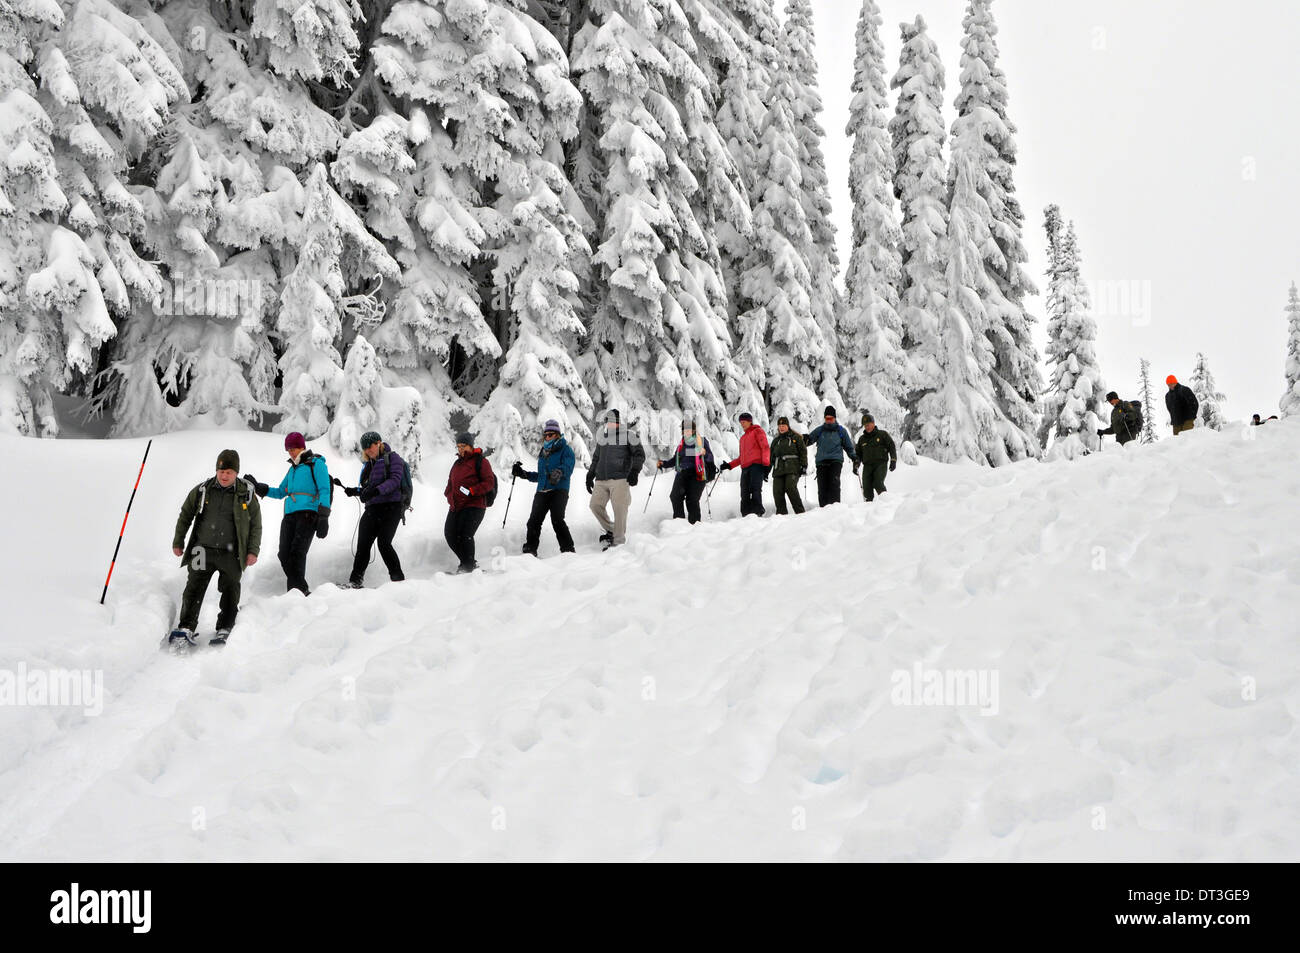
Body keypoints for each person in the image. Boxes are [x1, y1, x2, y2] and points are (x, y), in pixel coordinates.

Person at [171, 450, 261, 645]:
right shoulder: (203, 490)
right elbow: (185, 515)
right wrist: (179, 541)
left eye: (229, 472)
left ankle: (225, 626)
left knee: (230, 589)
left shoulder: (246, 493)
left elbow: (256, 524)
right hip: (201, 549)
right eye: (221, 471)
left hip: (231, 552)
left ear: (236, 472)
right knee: (193, 587)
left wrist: (253, 550)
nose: (224, 476)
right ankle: (186, 626)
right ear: (216, 470)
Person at [243, 432, 330, 596]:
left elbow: (324, 490)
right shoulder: (293, 469)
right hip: (289, 515)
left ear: (302, 446)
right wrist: (259, 487)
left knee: (297, 553)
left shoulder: (316, 464)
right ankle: (301, 591)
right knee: (284, 554)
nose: (291, 452)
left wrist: (324, 516)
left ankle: (296, 593)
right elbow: (281, 491)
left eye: (294, 448)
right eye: (288, 449)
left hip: (308, 514)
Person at [336, 431, 407, 588]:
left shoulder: (392, 458)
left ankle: (398, 580)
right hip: (373, 509)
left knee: (384, 543)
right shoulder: (368, 465)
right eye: (365, 448)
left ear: (379, 443)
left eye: (371, 445)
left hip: (391, 507)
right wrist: (354, 491)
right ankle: (355, 581)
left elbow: (394, 481)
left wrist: (375, 491)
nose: (368, 449)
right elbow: (368, 489)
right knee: (363, 546)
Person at [512, 420, 576, 556]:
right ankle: (530, 550)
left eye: (550, 434)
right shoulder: (543, 452)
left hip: (559, 490)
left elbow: (568, 467)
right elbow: (541, 476)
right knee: (533, 522)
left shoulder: (566, 449)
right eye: (545, 434)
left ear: (557, 435)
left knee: (557, 520)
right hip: (542, 492)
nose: (547, 437)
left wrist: (559, 472)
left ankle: (568, 550)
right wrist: (524, 474)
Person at [586, 409, 645, 550]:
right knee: (595, 505)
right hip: (601, 479)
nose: (610, 424)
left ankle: (618, 542)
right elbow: (596, 458)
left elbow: (639, 454)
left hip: (620, 479)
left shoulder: (629, 435)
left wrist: (635, 472)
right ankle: (612, 529)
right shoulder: (603, 439)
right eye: (608, 421)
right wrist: (590, 475)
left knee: (620, 509)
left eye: (613, 421)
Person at [444, 432, 495, 573]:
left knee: (465, 534)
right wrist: (449, 495)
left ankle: (468, 565)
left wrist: (472, 490)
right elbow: (450, 484)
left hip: (475, 505)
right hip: (456, 505)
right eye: (458, 446)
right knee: (450, 534)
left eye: (463, 446)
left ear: (470, 446)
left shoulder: (481, 461)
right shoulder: (457, 464)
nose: (460, 449)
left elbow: (489, 482)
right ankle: (468, 563)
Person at [657, 419, 716, 524]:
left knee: (692, 500)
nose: (687, 432)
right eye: (685, 430)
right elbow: (676, 459)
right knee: (675, 496)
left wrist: (705, 453)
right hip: (683, 473)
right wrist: (664, 464)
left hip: (697, 473)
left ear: (694, 430)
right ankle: (679, 524)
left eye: (689, 429)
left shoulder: (701, 441)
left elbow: (710, 458)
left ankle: (694, 525)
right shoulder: (682, 443)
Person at [803, 406, 858, 506]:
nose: (828, 421)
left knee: (834, 483)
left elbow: (849, 447)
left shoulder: (841, 431)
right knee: (822, 487)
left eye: (831, 418)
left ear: (835, 418)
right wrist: (805, 439)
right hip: (821, 462)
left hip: (835, 461)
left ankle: (835, 508)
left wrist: (854, 458)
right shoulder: (819, 430)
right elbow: (809, 440)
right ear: (824, 419)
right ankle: (823, 509)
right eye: (827, 418)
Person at [719, 412, 771, 517]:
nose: (742, 424)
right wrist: (729, 465)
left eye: (744, 422)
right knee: (744, 492)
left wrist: (766, 465)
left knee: (755, 489)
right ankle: (746, 514)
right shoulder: (743, 438)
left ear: (750, 421)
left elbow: (765, 448)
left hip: (757, 466)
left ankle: (758, 513)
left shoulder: (758, 431)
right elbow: (741, 458)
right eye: (741, 422)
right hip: (745, 468)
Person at [768, 417, 808, 515]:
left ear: (788, 426)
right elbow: (771, 457)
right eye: (780, 426)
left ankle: (800, 513)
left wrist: (804, 465)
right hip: (778, 470)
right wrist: (767, 470)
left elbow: (803, 451)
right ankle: (781, 515)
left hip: (793, 468)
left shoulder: (795, 438)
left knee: (790, 487)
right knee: (777, 491)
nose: (781, 428)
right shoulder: (776, 441)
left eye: (783, 425)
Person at [855, 414, 898, 502]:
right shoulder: (862, 439)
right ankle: (868, 506)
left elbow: (891, 446)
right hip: (867, 465)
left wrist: (893, 460)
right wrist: (856, 463)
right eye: (865, 425)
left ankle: (887, 502)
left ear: (873, 423)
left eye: (869, 424)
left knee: (878, 483)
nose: (867, 427)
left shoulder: (882, 434)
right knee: (866, 486)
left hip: (881, 463)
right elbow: (858, 454)